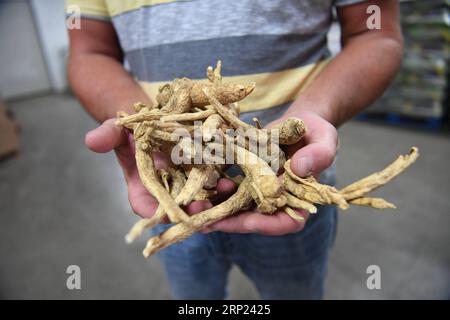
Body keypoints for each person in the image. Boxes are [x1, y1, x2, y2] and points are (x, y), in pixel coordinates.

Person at [67, 0, 403, 299]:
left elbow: (374, 35)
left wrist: (316, 109)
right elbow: (89, 53)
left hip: (294, 179)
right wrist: (142, 123)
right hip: (173, 188)